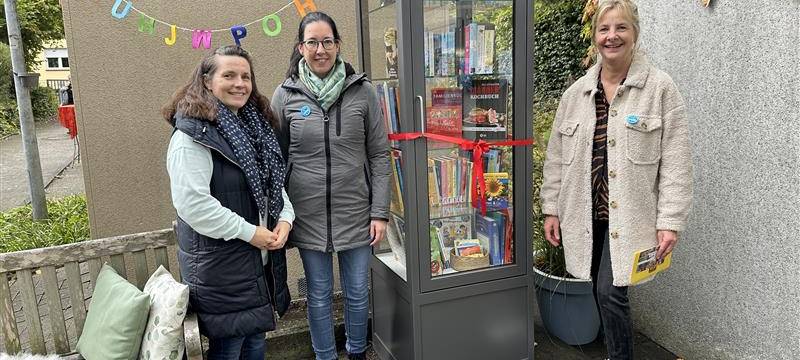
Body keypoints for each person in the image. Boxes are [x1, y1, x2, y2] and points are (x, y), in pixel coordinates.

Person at [540, 1, 692, 359]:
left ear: (635, 33)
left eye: (621, 28)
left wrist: (669, 221)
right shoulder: (575, 94)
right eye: (604, 29)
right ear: (594, 37)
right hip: (584, 212)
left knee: (611, 290)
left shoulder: (660, 89)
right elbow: (556, 158)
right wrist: (551, 209)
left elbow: (676, 161)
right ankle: (614, 350)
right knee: (597, 286)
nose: (612, 36)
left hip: (631, 214)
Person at [271, 11, 390, 360]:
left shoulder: (362, 92)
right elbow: (276, 160)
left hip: (356, 212)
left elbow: (380, 155)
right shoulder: (286, 94)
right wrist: (282, 215)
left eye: (327, 41)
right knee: (319, 294)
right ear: (300, 47)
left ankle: (356, 352)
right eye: (312, 42)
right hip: (307, 216)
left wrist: (379, 212)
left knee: (356, 291)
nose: (320, 49)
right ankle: (324, 355)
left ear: (338, 45)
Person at [163, 45, 294, 360]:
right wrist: (250, 232)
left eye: (246, 76)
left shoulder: (255, 128)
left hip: (255, 264)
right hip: (222, 268)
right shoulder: (192, 137)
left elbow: (274, 184)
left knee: (256, 344)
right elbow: (193, 205)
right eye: (229, 75)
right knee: (230, 348)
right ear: (207, 81)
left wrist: (286, 219)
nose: (240, 83)